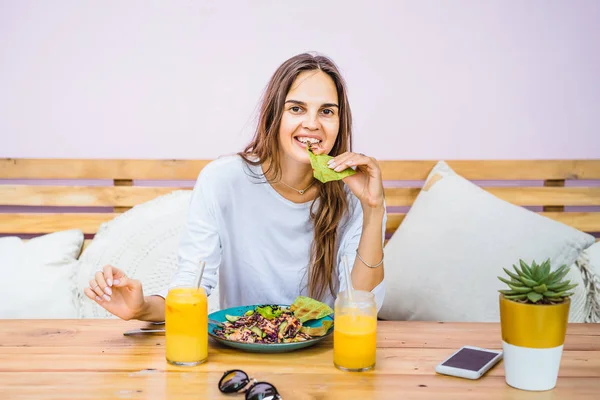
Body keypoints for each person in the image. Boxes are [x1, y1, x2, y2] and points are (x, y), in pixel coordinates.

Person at [83, 52, 387, 322]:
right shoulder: (222, 180)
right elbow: (192, 283)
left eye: (326, 111)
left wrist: (373, 210)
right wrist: (142, 309)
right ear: (273, 115)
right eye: (296, 108)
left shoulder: (357, 190)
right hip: (244, 348)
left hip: (326, 352)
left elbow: (358, 301)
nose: (312, 123)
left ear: (339, 122)